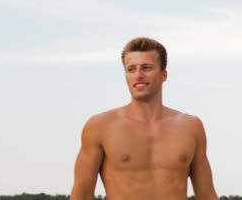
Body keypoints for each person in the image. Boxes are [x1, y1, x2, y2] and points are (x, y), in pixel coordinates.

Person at [70, 37, 218, 200]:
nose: (138, 75)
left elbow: (207, 195)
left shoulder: (191, 127)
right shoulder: (100, 126)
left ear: (164, 75)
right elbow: (82, 193)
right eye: (131, 69)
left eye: (146, 68)